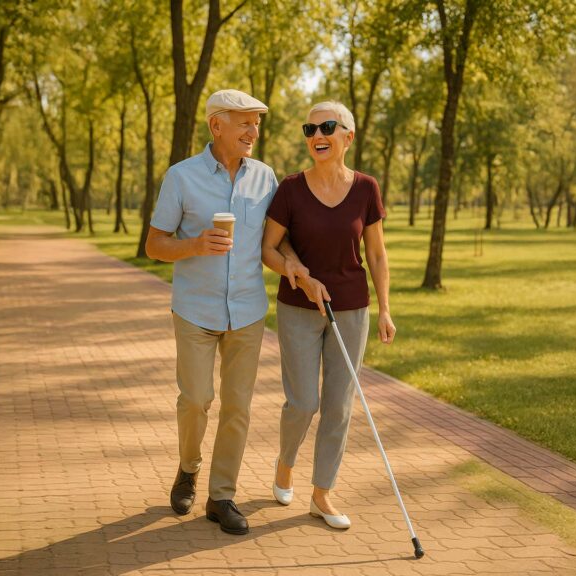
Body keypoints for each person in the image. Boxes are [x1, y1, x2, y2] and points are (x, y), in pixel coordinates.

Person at [146, 89, 301, 535]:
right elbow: (155, 244)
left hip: (247, 311)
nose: (254, 131)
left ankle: (221, 496)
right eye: (245, 122)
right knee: (196, 400)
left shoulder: (265, 178)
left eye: (257, 123)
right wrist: (195, 244)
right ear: (217, 126)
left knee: (238, 407)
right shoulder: (181, 177)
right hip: (195, 308)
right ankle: (188, 467)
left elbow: (277, 239)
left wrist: (293, 263)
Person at [261, 101, 395, 529]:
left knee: (338, 406)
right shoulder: (290, 189)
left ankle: (322, 494)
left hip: (352, 310)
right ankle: (285, 462)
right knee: (303, 403)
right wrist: (299, 276)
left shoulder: (366, 188)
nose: (317, 135)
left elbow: (377, 254)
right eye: (310, 129)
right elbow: (268, 249)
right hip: (298, 308)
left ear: (347, 137)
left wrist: (385, 309)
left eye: (327, 127)